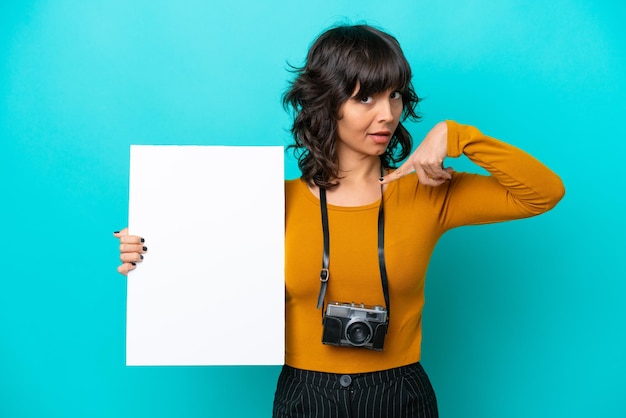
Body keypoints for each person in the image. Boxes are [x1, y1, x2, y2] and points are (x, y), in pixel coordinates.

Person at [114, 24, 564, 418]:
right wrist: (149, 252)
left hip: (399, 393)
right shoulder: (269, 202)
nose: (386, 114)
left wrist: (459, 136)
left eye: (394, 96)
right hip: (304, 394)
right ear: (328, 103)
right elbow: (204, 269)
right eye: (365, 97)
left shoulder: (427, 192)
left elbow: (545, 192)